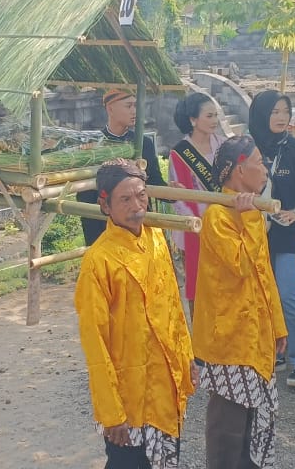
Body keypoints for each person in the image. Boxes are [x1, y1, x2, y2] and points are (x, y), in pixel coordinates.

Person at [75, 158, 198, 469]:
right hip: (128, 397)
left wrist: (186, 359)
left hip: (164, 385)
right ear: (106, 206)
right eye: (125, 199)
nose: (136, 206)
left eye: (141, 195)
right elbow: (95, 342)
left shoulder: (157, 238)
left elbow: (173, 305)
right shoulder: (98, 261)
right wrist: (110, 412)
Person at [192, 135, 287, 469]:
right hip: (231, 340)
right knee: (227, 432)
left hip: (255, 334)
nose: (265, 169)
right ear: (237, 170)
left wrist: (277, 325)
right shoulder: (219, 215)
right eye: (259, 162)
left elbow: (264, 275)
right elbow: (243, 265)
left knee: (252, 428)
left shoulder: (250, 212)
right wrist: (248, 219)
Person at [248, 90, 295, 388]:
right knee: (262, 295)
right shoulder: (248, 148)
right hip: (255, 233)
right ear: (261, 115)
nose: (281, 117)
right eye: (274, 111)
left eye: (285, 111)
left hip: (289, 233)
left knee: (288, 296)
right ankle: (275, 352)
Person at [77, 89, 166, 246]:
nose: (134, 111)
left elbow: (155, 183)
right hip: (100, 222)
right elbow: (83, 194)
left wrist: (173, 192)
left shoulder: (143, 143)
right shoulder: (92, 144)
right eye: (128, 106)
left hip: (136, 219)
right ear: (110, 109)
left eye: (136, 106)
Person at [167, 92, 225, 309]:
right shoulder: (180, 153)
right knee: (199, 286)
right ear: (193, 120)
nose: (215, 121)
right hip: (196, 227)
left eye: (216, 116)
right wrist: (198, 222)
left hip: (225, 225)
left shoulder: (225, 146)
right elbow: (180, 198)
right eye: (209, 116)